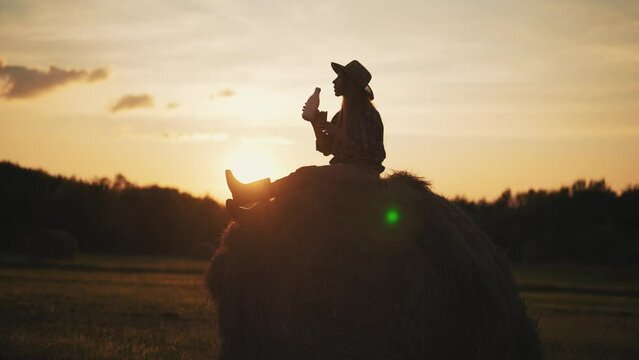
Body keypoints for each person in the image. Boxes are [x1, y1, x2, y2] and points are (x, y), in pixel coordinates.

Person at [225, 60, 386, 219]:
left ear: (350, 83)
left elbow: (367, 154)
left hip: (363, 174)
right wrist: (314, 123)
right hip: (346, 170)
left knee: (304, 176)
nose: (334, 81)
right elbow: (326, 149)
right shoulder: (342, 114)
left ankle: (248, 195)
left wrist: (338, 133)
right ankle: (253, 211)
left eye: (339, 77)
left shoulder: (367, 114)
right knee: (300, 185)